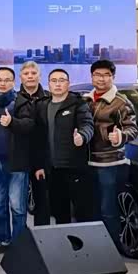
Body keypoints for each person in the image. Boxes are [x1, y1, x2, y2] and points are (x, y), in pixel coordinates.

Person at [83, 60, 138, 250]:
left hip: (110, 163)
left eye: (106, 75)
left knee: (109, 209)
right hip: (88, 162)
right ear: (92, 77)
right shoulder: (86, 100)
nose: (102, 79)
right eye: (98, 75)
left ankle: (112, 250)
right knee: (92, 209)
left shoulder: (121, 102)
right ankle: (95, 249)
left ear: (113, 77)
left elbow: (132, 128)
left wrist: (120, 136)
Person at [34, 69, 94, 224]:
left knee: (82, 212)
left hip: (74, 167)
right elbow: (38, 139)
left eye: (62, 80)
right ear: (49, 84)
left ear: (68, 83)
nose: (58, 84)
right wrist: (39, 165)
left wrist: (82, 136)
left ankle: (82, 240)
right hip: (52, 169)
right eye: (54, 81)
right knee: (60, 213)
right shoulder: (42, 105)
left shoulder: (78, 104)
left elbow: (87, 124)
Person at [0, 67, 32, 255]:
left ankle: (18, 243)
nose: (3, 83)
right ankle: (3, 240)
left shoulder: (21, 102)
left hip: (17, 162)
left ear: (13, 82)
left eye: (7, 80)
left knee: (17, 206)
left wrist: (12, 122)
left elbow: (29, 125)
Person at [18, 61, 51, 226]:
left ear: (39, 75)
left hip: (42, 157)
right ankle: (19, 237)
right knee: (17, 202)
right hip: (19, 157)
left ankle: (42, 236)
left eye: (33, 73)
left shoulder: (49, 98)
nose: (30, 76)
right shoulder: (14, 99)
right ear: (20, 77)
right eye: (26, 73)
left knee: (42, 201)